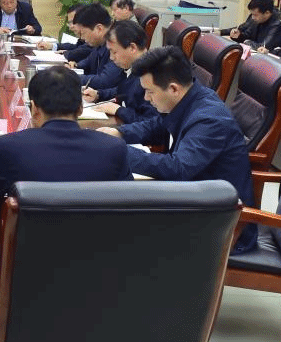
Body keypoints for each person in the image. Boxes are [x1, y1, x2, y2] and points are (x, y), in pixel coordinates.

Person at [98, 46, 257, 252]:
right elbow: (157, 125)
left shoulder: (210, 119)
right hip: (193, 201)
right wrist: (118, 133)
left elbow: (178, 168)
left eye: (150, 91)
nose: (146, 98)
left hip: (220, 226)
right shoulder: (191, 98)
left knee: (114, 229)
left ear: (173, 88)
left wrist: (118, 151)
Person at [0, 66, 131, 200]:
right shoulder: (113, 148)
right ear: (80, 108)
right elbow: (130, 202)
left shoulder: (10, 147)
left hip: (31, 231)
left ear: (34, 109)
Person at [82, 19, 158, 123]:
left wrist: (119, 110)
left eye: (114, 52)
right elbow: (123, 91)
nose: (111, 58)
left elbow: (150, 122)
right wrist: (98, 95)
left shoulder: (151, 77)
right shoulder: (133, 69)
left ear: (132, 48)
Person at [72, 3, 125, 91]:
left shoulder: (118, 41)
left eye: (83, 33)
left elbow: (105, 80)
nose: (82, 38)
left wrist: (71, 78)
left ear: (99, 29)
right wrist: (76, 65)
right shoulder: (100, 42)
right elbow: (90, 59)